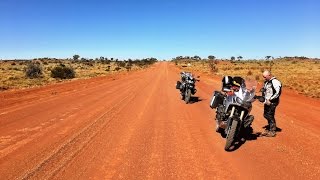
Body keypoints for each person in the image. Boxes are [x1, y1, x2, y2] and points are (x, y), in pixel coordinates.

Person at [261, 70, 282, 137]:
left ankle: (272, 131)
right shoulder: (267, 82)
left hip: (272, 101)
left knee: (270, 115)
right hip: (267, 101)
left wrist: (271, 99)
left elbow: (277, 93)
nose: (264, 78)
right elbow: (266, 89)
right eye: (263, 77)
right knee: (265, 115)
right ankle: (270, 128)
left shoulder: (275, 82)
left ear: (269, 75)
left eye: (265, 77)